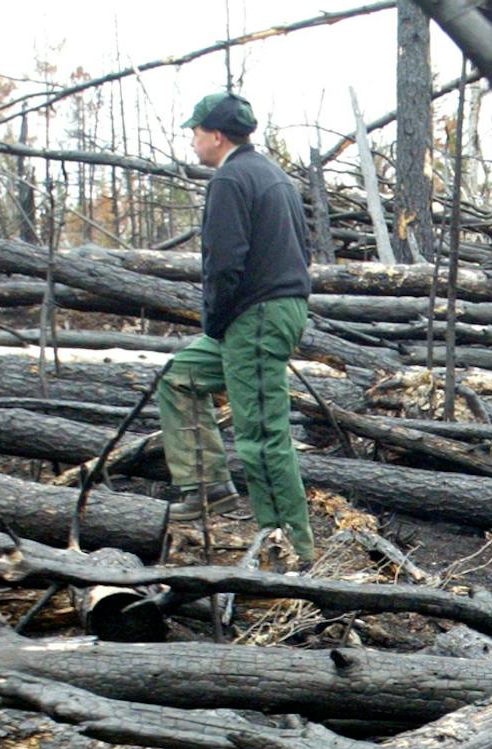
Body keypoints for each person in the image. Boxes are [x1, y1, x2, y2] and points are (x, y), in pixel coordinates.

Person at [154, 91, 315, 557]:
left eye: (196, 132)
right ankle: (206, 485)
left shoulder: (231, 180)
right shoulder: (272, 176)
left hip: (256, 317)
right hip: (265, 313)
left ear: (217, 135)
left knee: (261, 435)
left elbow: (223, 264)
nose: (192, 140)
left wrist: (216, 318)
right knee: (179, 378)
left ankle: (290, 549)